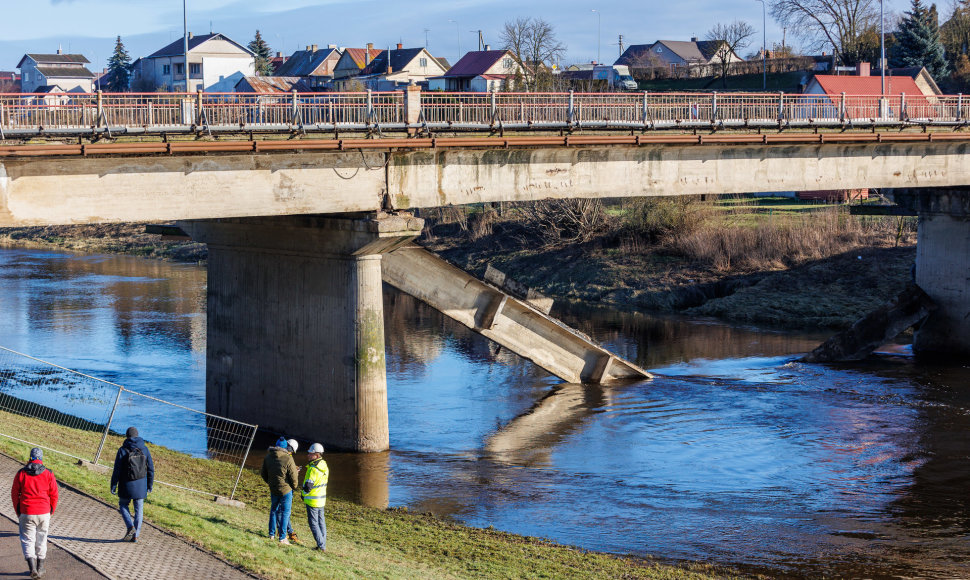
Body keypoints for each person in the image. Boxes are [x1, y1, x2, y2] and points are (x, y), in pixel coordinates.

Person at [10, 447, 58, 579]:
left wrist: (18, 511)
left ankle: (32, 568)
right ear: (41, 458)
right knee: (42, 539)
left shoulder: (21, 473)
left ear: (30, 457)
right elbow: (54, 494)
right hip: (44, 512)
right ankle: (40, 567)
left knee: (27, 539)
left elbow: (14, 494)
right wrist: (51, 510)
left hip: (27, 511)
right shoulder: (48, 473)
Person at [110, 426, 154, 543]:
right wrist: (149, 485)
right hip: (141, 486)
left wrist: (113, 485)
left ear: (127, 436)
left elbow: (117, 470)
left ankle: (130, 527)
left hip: (126, 485)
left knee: (123, 505)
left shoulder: (122, 450)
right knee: (139, 509)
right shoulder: (145, 449)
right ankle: (136, 536)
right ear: (137, 435)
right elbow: (150, 469)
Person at [260, 437, 300, 545]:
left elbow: (263, 473)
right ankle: (282, 537)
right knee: (285, 513)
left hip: (274, 489)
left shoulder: (268, 457)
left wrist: (271, 483)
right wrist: (294, 487)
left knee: (273, 511)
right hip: (286, 490)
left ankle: (271, 534)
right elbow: (293, 476)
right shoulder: (288, 458)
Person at [301, 442, 329, 551]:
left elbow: (308, 487)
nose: (308, 455)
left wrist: (303, 495)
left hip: (312, 501)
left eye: (310, 453)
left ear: (316, 455)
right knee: (321, 522)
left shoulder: (312, 469)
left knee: (313, 524)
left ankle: (321, 546)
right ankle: (322, 544)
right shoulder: (325, 466)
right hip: (321, 500)